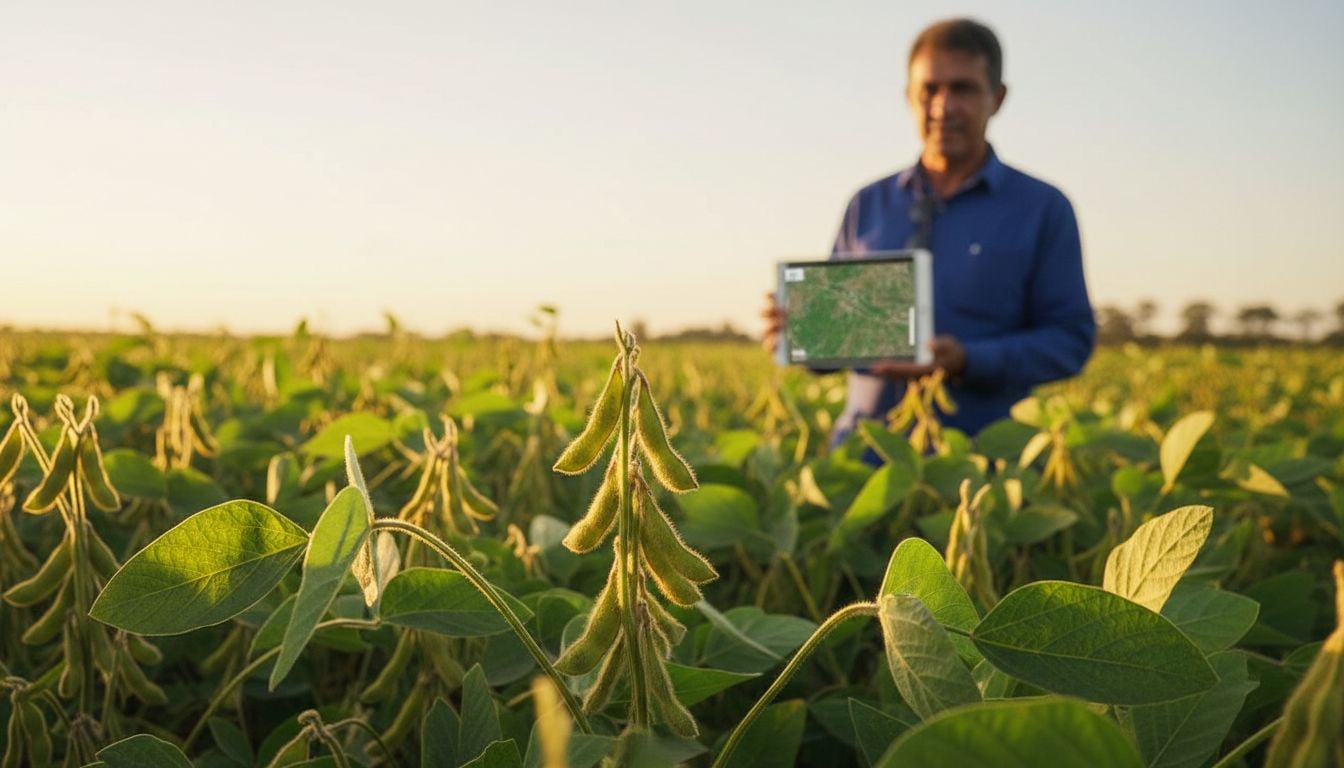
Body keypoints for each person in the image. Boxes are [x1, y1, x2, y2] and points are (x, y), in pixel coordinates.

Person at [764, 17, 1095, 454]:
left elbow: (1069, 341)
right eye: (929, 90)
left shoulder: (1042, 208)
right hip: (864, 459)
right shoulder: (868, 203)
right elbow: (838, 346)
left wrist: (968, 360)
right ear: (908, 97)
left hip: (980, 465)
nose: (943, 107)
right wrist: (800, 334)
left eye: (963, 89)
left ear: (997, 98)